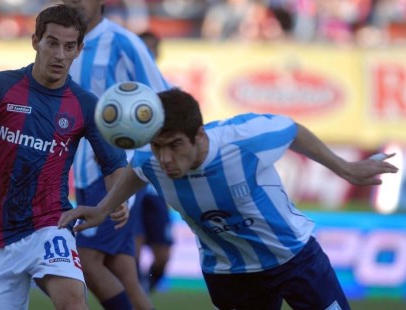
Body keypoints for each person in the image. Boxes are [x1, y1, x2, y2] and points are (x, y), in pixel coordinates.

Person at [58, 88, 399, 310]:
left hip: (292, 257)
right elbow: (137, 171)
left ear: (199, 137)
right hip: (229, 273)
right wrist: (103, 208)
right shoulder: (151, 158)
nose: (165, 159)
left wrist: (345, 168)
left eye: (175, 145)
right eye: (158, 146)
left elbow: (292, 130)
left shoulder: (243, 141)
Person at [0, 4, 129, 310]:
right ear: (35, 41)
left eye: (69, 46)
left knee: (72, 302)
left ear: (79, 49)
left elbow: (115, 164)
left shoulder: (85, 105)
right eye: (52, 43)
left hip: (50, 223)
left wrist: (118, 200)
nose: (59, 54)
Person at [61, 0, 171, 309]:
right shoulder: (64, 45)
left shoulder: (123, 42)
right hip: (83, 172)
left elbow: (161, 94)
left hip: (114, 171)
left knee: (87, 260)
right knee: (122, 272)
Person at [134, 30, 174, 293]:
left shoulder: (168, 91)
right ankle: (134, 293)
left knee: (163, 254)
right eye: (143, 50)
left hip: (158, 179)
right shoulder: (123, 90)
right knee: (132, 245)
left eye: (152, 49)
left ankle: (148, 289)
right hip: (130, 176)